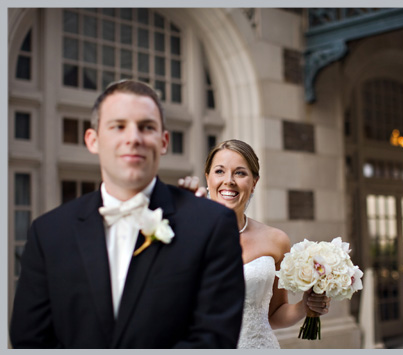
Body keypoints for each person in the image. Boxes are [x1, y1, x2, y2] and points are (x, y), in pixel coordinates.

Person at [10, 80, 245, 348]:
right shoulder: (48, 232)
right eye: (118, 126)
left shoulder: (212, 225)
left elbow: (213, 340)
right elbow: (30, 342)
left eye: (146, 127)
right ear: (93, 140)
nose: (133, 138)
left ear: (164, 141)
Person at [179, 139, 331, 349]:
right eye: (220, 171)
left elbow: (274, 314)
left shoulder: (276, 241)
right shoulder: (183, 235)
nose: (229, 181)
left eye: (240, 173)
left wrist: (305, 305)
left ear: (254, 183)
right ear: (208, 178)